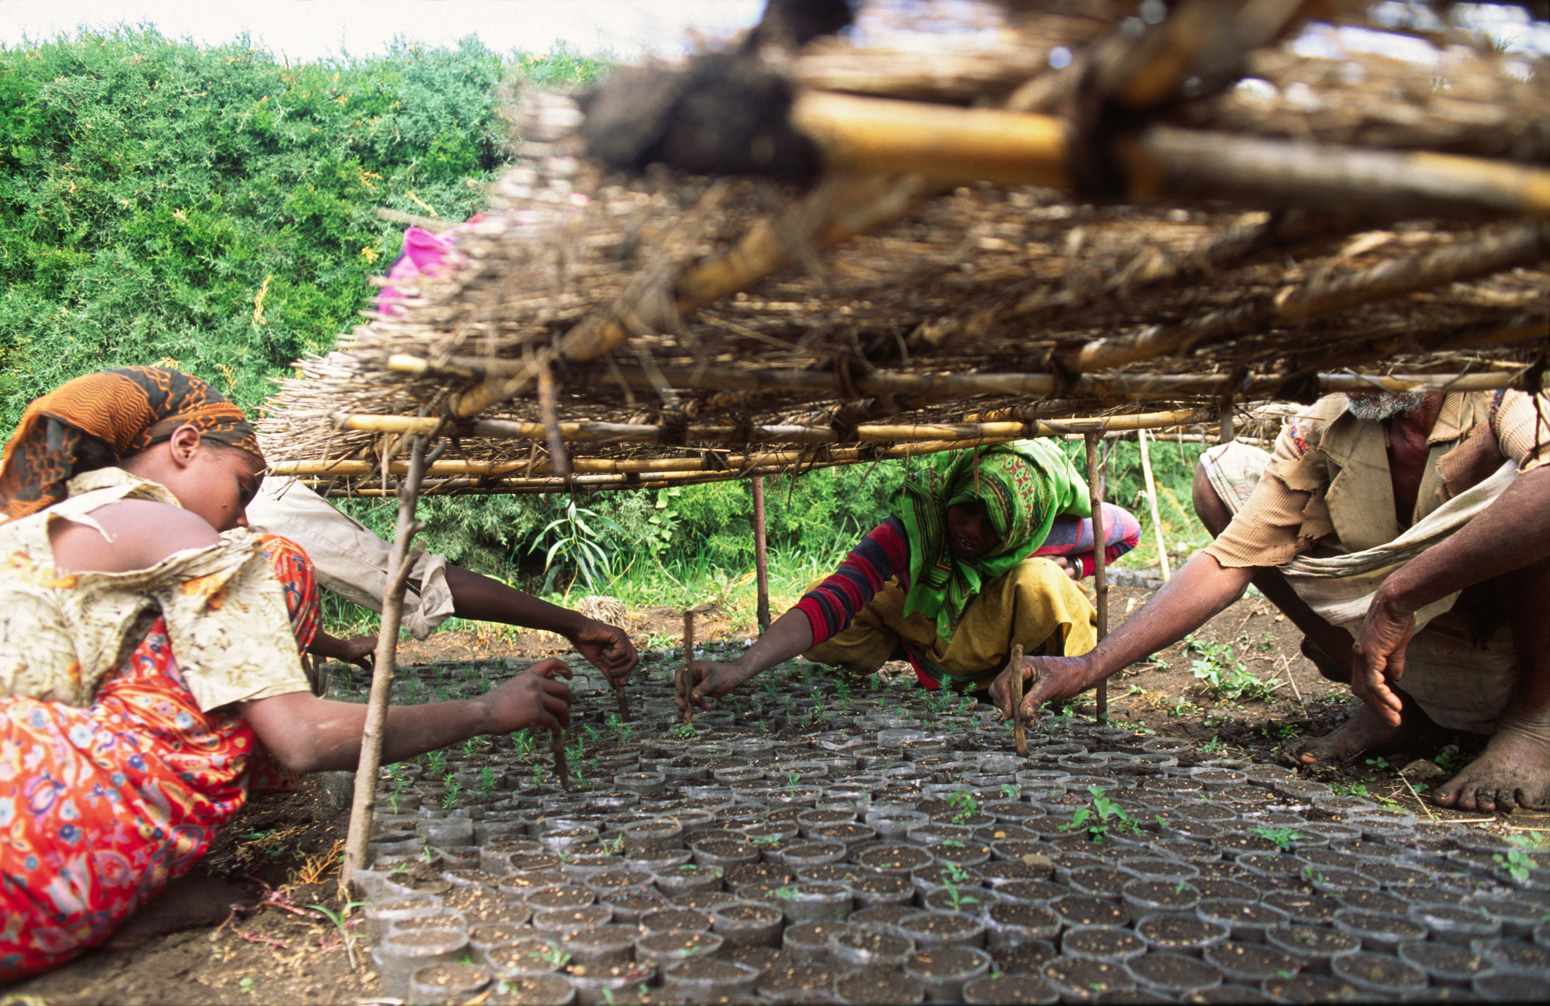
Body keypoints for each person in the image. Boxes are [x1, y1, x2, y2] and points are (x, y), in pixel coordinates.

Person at [0, 367, 574, 980]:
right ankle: (112, 888)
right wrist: (486, 711)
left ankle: (127, 881)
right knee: (282, 561)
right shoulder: (177, 530)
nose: (243, 518)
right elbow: (298, 737)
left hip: (21, 820)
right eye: (244, 489)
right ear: (186, 446)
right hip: (33, 866)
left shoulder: (43, 525)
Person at [994, 388, 1550, 813]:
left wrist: (1401, 593)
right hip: (1413, 662)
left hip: (1512, 656)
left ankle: (1534, 722)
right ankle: (1402, 712)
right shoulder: (1328, 424)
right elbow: (1229, 560)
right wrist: (1087, 666)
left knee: (1533, 499)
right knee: (1223, 481)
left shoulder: (1505, 398)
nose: (1338, 371)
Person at [678, 439, 1139, 708]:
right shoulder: (918, 526)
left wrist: (1076, 565)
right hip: (937, 633)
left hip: (1006, 642)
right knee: (832, 596)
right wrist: (740, 668)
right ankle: (915, 651)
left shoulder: (1050, 527)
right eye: (966, 509)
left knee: (1040, 581)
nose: (970, 532)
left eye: (991, 523)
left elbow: (1127, 532)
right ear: (952, 493)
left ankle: (1042, 683)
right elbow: (839, 595)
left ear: (1020, 524)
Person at [246, 477, 639, 683]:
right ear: (185, 447)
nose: (259, 471)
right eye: (246, 464)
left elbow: (258, 615)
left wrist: (340, 647)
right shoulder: (255, 502)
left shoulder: (240, 504)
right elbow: (413, 582)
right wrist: (486, 713)